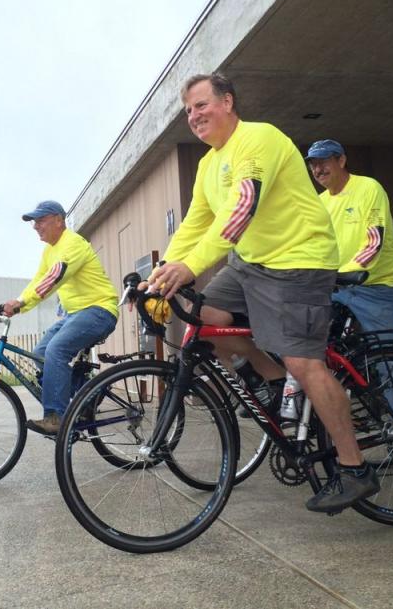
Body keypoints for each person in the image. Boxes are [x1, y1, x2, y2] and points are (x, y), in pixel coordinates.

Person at [148, 73, 377, 513]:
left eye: (201, 105)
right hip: (252, 263)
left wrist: (191, 266)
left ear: (228, 102)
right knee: (207, 317)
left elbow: (241, 211)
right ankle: (270, 380)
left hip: (299, 260)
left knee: (303, 360)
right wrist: (160, 272)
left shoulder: (259, 140)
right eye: (188, 110)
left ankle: (354, 468)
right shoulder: (209, 164)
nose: (194, 116)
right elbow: (195, 224)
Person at [307, 139, 393, 485]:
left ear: (342, 160)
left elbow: (375, 239)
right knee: (316, 359)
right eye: (313, 164)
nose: (318, 169)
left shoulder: (368, 188)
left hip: (375, 288)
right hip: (336, 289)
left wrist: (349, 272)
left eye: (324, 162)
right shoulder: (319, 203)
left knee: (392, 367)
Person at [2, 201, 118, 436]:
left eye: (40, 220)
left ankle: (56, 416)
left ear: (59, 220)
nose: (36, 226)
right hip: (76, 314)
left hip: (99, 310)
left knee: (56, 350)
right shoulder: (48, 251)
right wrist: (18, 304)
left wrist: (21, 303)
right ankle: (89, 395)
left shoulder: (73, 243)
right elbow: (38, 281)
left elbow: (55, 276)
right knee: (41, 353)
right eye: (34, 222)